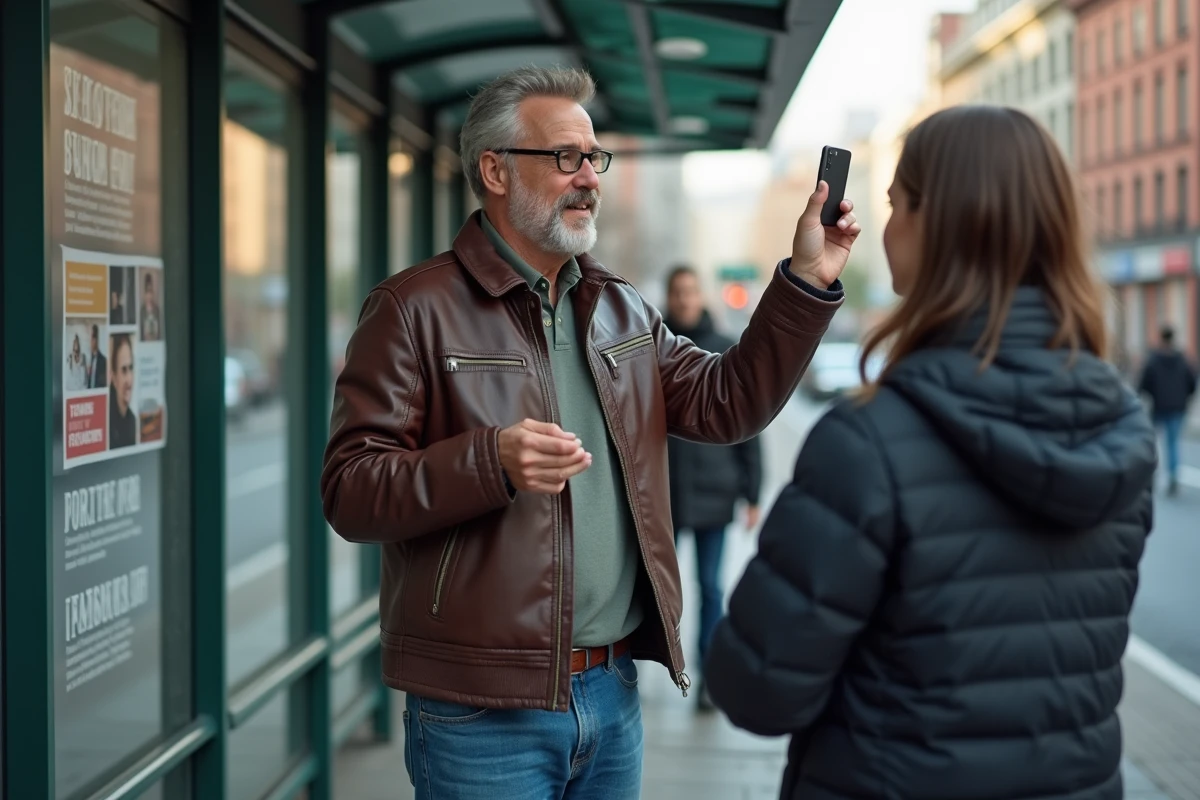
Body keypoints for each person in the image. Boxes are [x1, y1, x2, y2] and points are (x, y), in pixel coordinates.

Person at [321, 65, 859, 799]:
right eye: (566, 157)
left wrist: (805, 281)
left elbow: (730, 401)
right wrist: (490, 461)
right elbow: (350, 490)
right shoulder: (413, 309)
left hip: (611, 693)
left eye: (594, 158)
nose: (589, 178)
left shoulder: (620, 310)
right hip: (481, 711)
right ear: (496, 170)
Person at [703, 105, 1157, 800]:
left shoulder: (870, 443)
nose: (887, 227)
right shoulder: (1122, 428)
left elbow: (758, 689)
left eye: (894, 203)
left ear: (931, 220)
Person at [662, 265, 761, 712]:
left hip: (715, 492)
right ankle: (648, 664)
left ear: (700, 295)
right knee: (657, 589)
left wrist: (753, 493)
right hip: (663, 496)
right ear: (669, 295)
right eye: (677, 291)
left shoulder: (724, 348)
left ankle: (708, 677)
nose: (684, 298)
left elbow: (749, 426)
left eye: (690, 290)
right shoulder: (649, 346)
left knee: (710, 587)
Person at [1139, 325, 1197, 495]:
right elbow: (1192, 383)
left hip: (1159, 406)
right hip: (1178, 407)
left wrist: (1148, 396)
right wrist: (1184, 397)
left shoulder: (1154, 359)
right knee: (1173, 443)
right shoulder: (1183, 359)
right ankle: (1173, 475)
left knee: (1153, 442)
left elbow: (1144, 383)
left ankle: (1153, 474)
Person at [109, 334, 136, 448]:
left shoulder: (133, 421)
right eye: (124, 370)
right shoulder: (108, 424)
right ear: (114, 378)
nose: (129, 379)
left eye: (131, 368)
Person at [140, 272, 162, 341]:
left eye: (151, 293)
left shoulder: (156, 309)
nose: (149, 296)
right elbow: (141, 330)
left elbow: (159, 329)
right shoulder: (142, 310)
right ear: (145, 294)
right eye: (147, 293)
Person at [87, 324, 107, 389]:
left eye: (91, 338)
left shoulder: (103, 361)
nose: (89, 341)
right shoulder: (88, 360)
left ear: (95, 339)